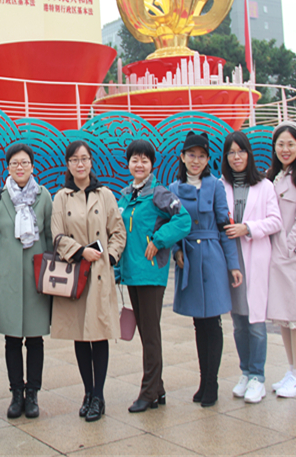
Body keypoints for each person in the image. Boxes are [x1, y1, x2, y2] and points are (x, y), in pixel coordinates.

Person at [50, 140, 126, 422]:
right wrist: (81, 251)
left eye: (84, 159)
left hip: (99, 274)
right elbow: (57, 236)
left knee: (99, 333)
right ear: (68, 165)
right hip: (74, 273)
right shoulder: (61, 197)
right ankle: (87, 392)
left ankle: (99, 396)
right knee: (80, 335)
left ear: (91, 162)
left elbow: (118, 232)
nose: (80, 164)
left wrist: (111, 258)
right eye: (74, 160)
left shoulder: (105, 195)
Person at [169, 131, 242, 408]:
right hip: (189, 258)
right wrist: (176, 251)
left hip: (212, 257)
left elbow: (225, 226)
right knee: (199, 323)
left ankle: (212, 382)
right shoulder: (174, 188)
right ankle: (204, 380)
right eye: (191, 155)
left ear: (208, 159)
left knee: (213, 322)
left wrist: (233, 265)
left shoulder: (216, 186)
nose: (196, 160)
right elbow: (171, 225)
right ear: (182, 157)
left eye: (201, 156)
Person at [117, 140, 191, 413]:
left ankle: (147, 392)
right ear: (128, 163)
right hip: (132, 273)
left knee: (150, 335)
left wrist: (159, 240)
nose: (139, 165)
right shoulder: (125, 196)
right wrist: (118, 269)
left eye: (144, 160)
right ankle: (157, 390)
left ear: (152, 164)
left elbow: (183, 220)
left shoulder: (159, 193)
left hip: (150, 273)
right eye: (135, 160)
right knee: (146, 333)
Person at [0, 143, 53, 420]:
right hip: (8, 277)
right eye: (14, 163)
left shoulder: (44, 196)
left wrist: (52, 275)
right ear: (8, 167)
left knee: (35, 339)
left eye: (24, 162)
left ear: (32, 166)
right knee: (12, 339)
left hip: (37, 278)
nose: (20, 167)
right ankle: (16, 393)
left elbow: (50, 236)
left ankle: (32, 394)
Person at [220, 132, 283, 404]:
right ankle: (245, 372)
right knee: (238, 321)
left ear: (249, 154)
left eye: (241, 151)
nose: (236, 157)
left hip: (254, 258)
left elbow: (275, 221)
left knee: (256, 322)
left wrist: (248, 228)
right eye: (231, 152)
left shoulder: (264, 185)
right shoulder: (221, 185)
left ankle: (258, 376)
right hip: (231, 259)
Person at [266, 121, 296, 398]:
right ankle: (291, 370)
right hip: (273, 258)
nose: (285, 149)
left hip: (291, 258)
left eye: (290, 144)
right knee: (283, 318)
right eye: (280, 144)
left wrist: (289, 249)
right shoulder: (273, 177)